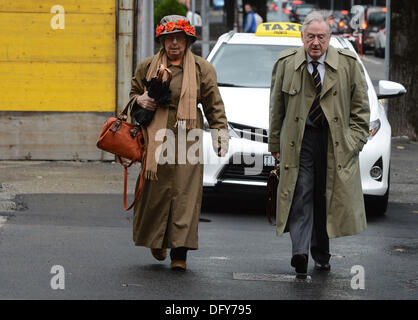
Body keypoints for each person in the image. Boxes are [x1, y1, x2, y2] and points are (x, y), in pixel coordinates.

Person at [268, 11, 370, 279]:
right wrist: (275, 143)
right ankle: (299, 253)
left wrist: (354, 142)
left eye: (321, 37)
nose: (315, 42)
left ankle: (321, 254)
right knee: (300, 192)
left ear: (329, 38)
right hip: (299, 140)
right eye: (310, 36)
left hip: (334, 142)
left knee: (326, 197)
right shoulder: (286, 64)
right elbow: (276, 107)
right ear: (302, 37)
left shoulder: (348, 64)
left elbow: (361, 111)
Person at [129, 15, 229, 271]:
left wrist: (220, 135)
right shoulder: (147, 66)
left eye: (179, 38)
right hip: (155, 135)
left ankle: (179, 253)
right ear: (161, 40)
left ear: (188, 40)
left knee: (185, 195)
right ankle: (156, 240)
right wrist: (140, 100)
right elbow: (132, 97)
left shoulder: (201, 68)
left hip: (189, 135)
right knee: (156, 193)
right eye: (169, 38)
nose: (174, 42)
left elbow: (213, 104)